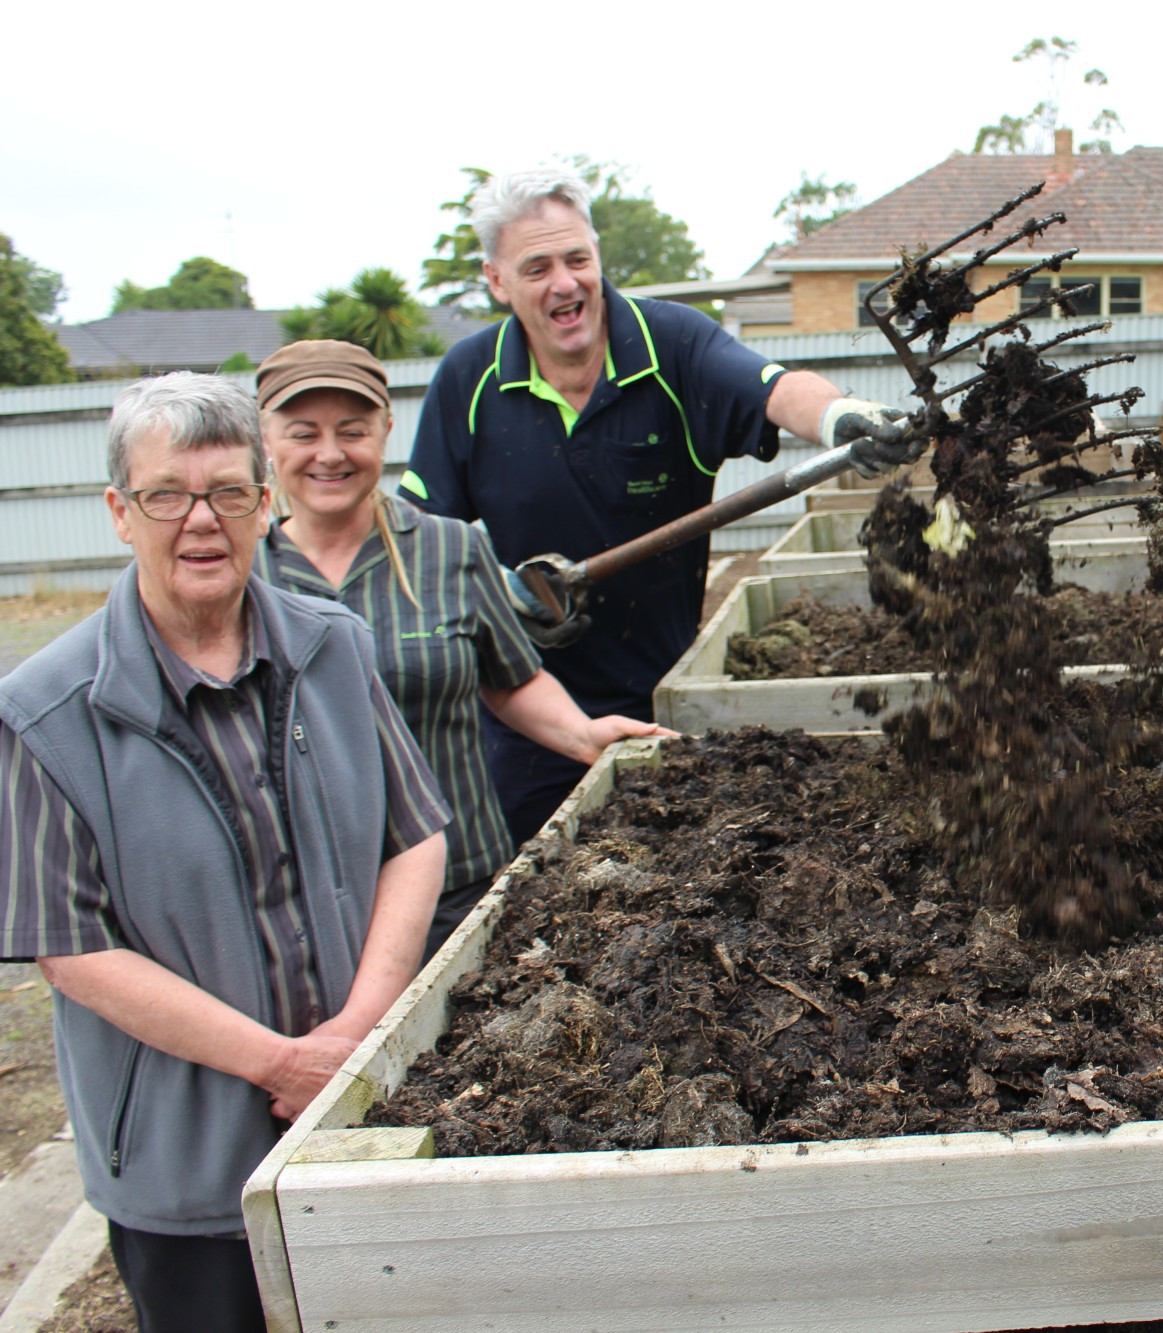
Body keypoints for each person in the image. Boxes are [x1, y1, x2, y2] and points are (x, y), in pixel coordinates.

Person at [0, 374, 449, 1330]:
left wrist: (362, 1031)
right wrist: (283, 1064)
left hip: (355, 1112)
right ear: (121, 512)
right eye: (168, 494)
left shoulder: (333, 647)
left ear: (264, 505)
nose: (200, 520)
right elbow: (72, 947)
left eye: (229, 493)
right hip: (187, 1159)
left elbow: (414, 838)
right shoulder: (45, 711)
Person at [402, 166, 921, 843]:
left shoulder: (669, 344)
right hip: (530, 712)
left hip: (671, 694)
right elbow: (414, 539)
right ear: (496, 280)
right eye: (536, 267)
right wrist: (491, 590)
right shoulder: (467, 381)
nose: (565, 282)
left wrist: (840, 416)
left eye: (576, 259)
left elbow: (771, 386)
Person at [254, 341, 664, 957]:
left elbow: (510, 679)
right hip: (310, 907)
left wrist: (582, 735)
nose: (331, 454)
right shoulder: (243, 575)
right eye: (303, 433)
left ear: (387, 431)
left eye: (353, 430)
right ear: (266, 440)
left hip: (459, 886)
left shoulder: (450, 550)